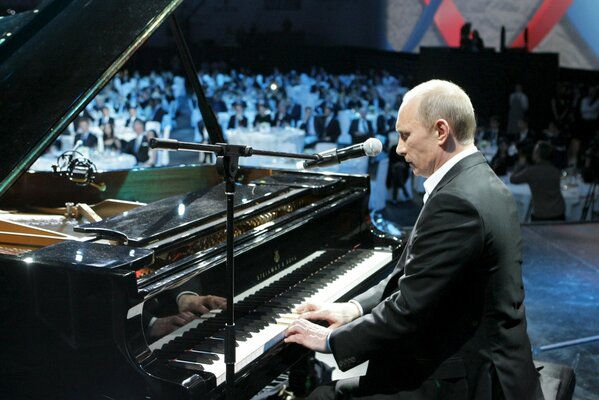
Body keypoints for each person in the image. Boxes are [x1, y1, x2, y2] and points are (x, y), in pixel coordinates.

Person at [285, 80, 542, 399]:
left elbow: (408, 309)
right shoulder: (478, 181)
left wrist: (329, 342)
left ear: (440, 131)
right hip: (485, 361)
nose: (399, 148)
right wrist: (353, 308)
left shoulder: (457, 202)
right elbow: (416, 278)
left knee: (322, 396)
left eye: (405, 135)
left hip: (470, 380)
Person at [510, 141, 565, 222]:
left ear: (537, 154)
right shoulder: (556, 170)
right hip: (559, 212)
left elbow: (513, 179)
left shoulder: (531, 172)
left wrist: (520, 164)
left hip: (541, 214)